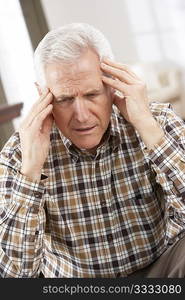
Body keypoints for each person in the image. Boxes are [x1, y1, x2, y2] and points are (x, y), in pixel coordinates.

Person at [0, 23, 185, 278]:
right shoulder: (20, 153)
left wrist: (148, 129)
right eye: (64, 99)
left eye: (91, 94)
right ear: (44, 95)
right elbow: (15, 274)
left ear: (112, 85)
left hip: (159, 270)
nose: (82, 116)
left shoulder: (157, 121)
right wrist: (30, 172)